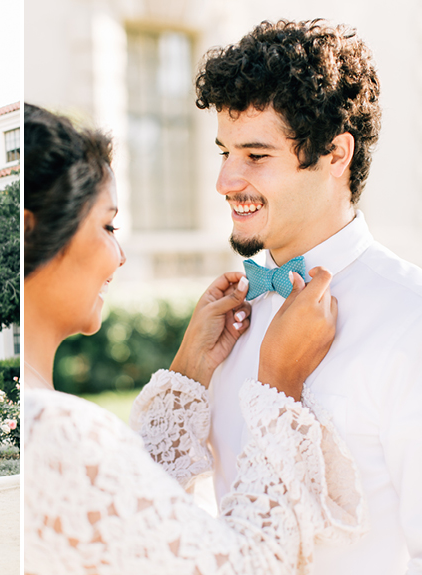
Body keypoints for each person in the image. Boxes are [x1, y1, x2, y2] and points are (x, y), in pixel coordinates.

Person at [24, 103, 365, 574]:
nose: (119, 256)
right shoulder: (53, 428)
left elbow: (121, 522)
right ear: (28, 232)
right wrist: (280, 384)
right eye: (108, 225)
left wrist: (187, 376)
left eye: (256, 155)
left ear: (335, 155)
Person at [191, 20, 422, 575]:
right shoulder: (224, 322)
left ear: (335, 153)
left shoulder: (409, 318)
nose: (225, 180)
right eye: (224, 151)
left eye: (255, 155)